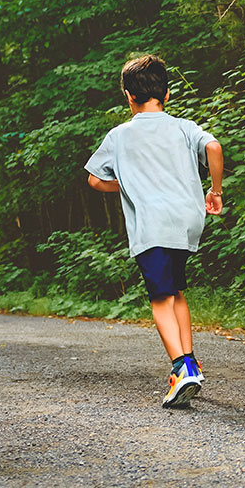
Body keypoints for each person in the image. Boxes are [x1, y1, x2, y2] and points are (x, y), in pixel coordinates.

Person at [85, 55, 223, 408]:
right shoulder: (184, 126)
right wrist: (215, 191)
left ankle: (182, 368)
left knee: (159, 298)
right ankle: (191, 359)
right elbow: (214, 147)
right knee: (176, 291)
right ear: (168, 93)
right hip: (187, 220)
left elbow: (95, 179)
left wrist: (128, 184)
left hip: (153, 223)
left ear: (128, 96)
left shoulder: (120, 135)